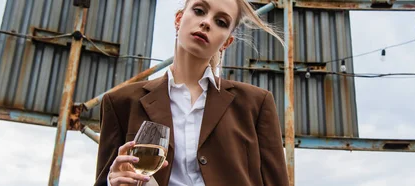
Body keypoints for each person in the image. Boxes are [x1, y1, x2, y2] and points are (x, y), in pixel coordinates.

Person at [94, 0, 288, 185]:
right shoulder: (120, 102)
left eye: (220, 22)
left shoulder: (256, 103)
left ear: (226, 42)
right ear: (178, 19)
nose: (206, 23)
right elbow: (105, 179)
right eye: (199, 11)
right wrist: (114, 182)